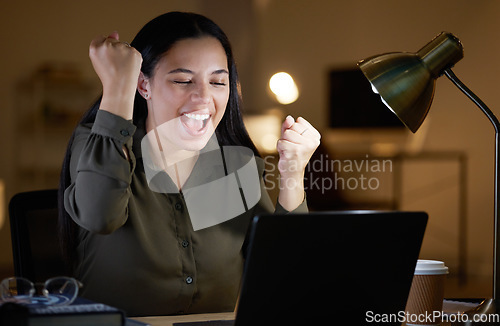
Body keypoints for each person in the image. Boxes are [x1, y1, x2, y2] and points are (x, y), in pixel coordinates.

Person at [58, 11, 320, 317]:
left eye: (218, 82)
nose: (204, 98)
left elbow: (285, 274)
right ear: (144, 86)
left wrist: (293, 173)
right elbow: (99, 215)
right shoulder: (97, 145)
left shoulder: (234, 165)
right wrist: (118, 88)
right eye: (183, 80)